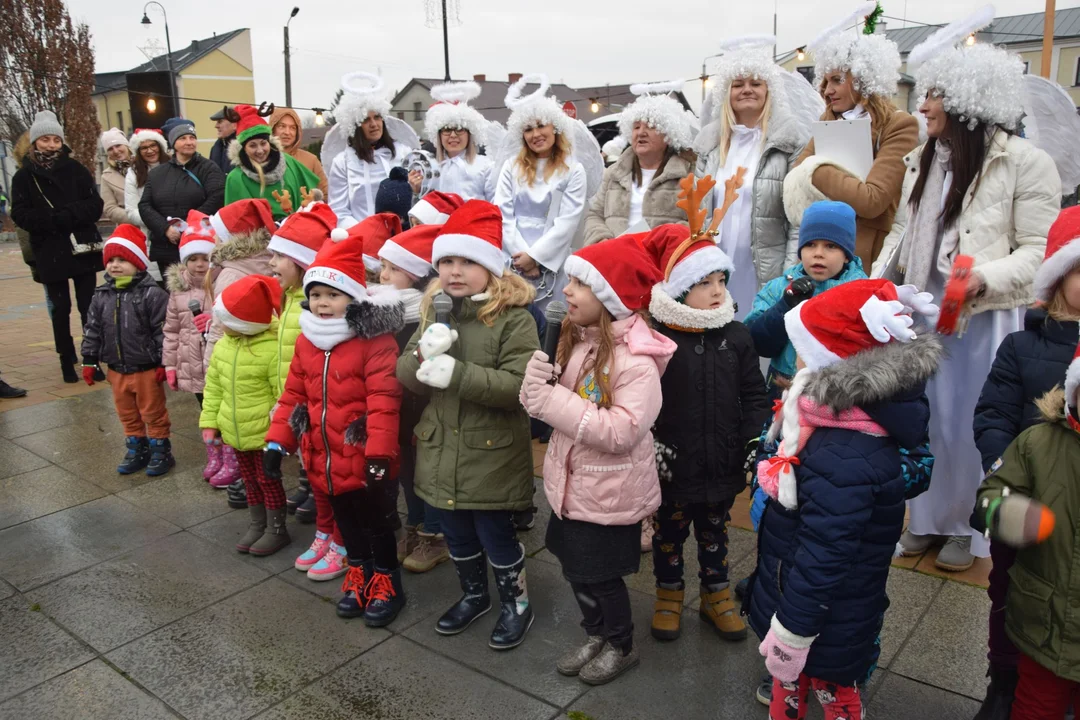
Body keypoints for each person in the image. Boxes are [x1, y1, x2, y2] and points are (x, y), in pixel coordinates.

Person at [878, 39, 1058, 572]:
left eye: (933, 94)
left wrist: (981, 278)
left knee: (975, 425)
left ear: (966, 100)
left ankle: (970, 528)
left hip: (985, 319)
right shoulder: (925, 159)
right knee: (928, 421)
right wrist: (876, 282)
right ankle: (929, 518)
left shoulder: (1025, 161)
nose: (923, 106)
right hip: (925, 313)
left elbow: (1040, 250)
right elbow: (904, 232)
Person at [747, 279, 941, 720]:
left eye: (801, 346)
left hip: (820, 611)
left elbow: (825, 553)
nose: (794, 358)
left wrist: (792, 630)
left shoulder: (845, 450)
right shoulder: (824, 413)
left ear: (833, 364)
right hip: (803, 590)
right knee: (792, 684)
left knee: (833, 690)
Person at [522, 234, 674, 684]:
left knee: (602, 576)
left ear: (610, 297)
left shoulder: (637, 363)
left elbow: (622, 431)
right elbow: (553, 406)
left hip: (609, 494)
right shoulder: (579, 340)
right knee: (575, 569)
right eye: (568, 281)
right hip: (573, 487)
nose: (566, 291)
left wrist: (550, 401)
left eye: (580, 284)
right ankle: (596, 633)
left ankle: (620, 644)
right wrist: (535, 387)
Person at [396, 200, 540, 650]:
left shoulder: (514, 320)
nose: (454, 271)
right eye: (446, 261)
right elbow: (405, 375)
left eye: (468, 261)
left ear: (492, 267)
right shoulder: (435, 312)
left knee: (495, 535)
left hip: (490, 453)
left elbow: (518, 387)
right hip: (441, 450)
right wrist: (421, 357)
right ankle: (474, 594)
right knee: (456, 532)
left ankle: (516, 603)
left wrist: (456, 373)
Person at [968, 207, 1080, 718]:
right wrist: (1002, 471)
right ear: (1058, 279)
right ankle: (1004, 677)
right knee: (1008, 592)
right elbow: (993, 412)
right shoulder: (1022, 345)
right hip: (1027, 499)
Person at [265, 230, 405, 625]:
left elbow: (384, 402)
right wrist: (277, 442)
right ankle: (358, 570)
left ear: (353, 297)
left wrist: (379, 454)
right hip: (323, 455)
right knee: (346, 522)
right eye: (316, 295)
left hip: (365, 459)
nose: (323, 304)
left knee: (376, 523)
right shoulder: (309, 341)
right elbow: (293, 394)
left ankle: (386, 579)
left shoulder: (375, 341)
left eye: (333, 294)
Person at [643, 224, 769, 643]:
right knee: (669, 533)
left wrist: (753, 440)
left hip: (722, 459)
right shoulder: (658, 337)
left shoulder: (737, 335)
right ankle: (669, 592)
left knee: (716, 531)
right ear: (679, 290)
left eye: (720, 280)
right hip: (673, 462)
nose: (716, 290)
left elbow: (753, 393)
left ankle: (716, 594)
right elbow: (640, 394)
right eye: (702, 282)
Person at [972, 349, 1080, 720]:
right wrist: (1004, 512)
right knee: (1034, 707)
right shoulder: (1039, 442)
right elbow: (990, 494)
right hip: (1044, 623)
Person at [783, 14, 919, 269]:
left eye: (837, 80)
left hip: (866, 255)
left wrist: (813, 169)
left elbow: (872, 201)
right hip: (824, 250)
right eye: (825, 82)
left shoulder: (899, 125)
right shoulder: (828, 121)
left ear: (863, 80)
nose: (827, 91)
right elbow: (793, 182)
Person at [695, 39, 811, 318]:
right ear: (727, 92)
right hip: (714, 270)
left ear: (768, 90)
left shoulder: (789, 142)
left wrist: (789, 275)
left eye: (756, 83)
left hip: (764, 272)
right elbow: (695, 213)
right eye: (738, 84)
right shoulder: (709, 145)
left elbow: (798, 219)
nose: (747, 89)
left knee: (757, 344)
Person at [265, 203, 343, 579]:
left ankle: (339, 542)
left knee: (332, 481)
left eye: (279, 255)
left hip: (327, 413)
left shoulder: (310, 310)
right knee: (316, 475)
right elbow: (295, 370)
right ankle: (324, 534)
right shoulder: (294, 299)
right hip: (304, 409)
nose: (272, 262)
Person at [11, 110, 105, 383]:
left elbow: (94, 205)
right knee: (59, 309)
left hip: (82, 248)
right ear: (34, 142)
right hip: (49, 250)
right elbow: (20, 214)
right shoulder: (24, 177)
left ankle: (92, 359)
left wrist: (70, 215)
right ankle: (66, 359)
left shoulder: (76, 170)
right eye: (45, 140)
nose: (51, 145)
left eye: (56, 140)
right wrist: (51, 220)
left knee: (88, 307)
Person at [375, 223, 447, 573]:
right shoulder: (384, 311)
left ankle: (435, 532)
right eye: (382, 267)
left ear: (416, 275)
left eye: (392, 269)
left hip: (423, 406)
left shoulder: (426, 312)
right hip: (395, 405)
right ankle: (416, 524)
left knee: (427, 471)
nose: (382, 275)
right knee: (405, 469)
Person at [200, 275, 289, 556]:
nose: (218, 324)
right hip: (235, 430)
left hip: (264, 433)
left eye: (223, 319)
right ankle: (256, 522)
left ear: (243, 323)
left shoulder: (272, 349)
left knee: (268, 480)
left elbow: (282, 393)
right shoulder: (225, 345)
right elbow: (213, 386)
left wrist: (280, 433)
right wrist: (210, 421)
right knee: (249, 480)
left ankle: (276, 528)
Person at [746, 200, 866, 401]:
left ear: (846, 255)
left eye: (830, 246)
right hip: (783, 386)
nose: (818, 253)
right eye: (810, 244)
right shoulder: (779, 288)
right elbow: (758, 343)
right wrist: (785, 306)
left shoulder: (862, 292)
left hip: (837, 392)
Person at [202, 198, 279, 508]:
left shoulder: (231, 274)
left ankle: (242, 477)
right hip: (264, 354)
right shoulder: (267, 262)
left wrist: (210, 364)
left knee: (240, 415)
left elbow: (222, 326)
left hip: (236, 356)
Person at [80, 225, 173, 476]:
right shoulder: (101, 295)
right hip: (117, 369)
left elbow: (162, 331)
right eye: (111, 260)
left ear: (138, 263)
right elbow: (93, 328)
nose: (115, 265)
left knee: (153, 412)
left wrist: (165, 363)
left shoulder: (152, 295)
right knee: (126, 413)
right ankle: (136, 449)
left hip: (146, 368)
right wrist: (89, 359)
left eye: (122, 259)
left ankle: (160, 450)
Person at [495, 81, 588, 311]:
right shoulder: (510, 167)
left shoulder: (573, 170)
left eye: (541, 126)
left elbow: (567, 223)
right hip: (512, 260)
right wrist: (522, 258)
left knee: (551, 326)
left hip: (552, 264)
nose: (535, 134)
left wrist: (536, 257)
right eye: (528, 129)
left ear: (554, 127)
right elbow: (502, 214)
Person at [584, 83, 695, 246]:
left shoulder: (687, 174)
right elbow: (594, 215)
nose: (641, 132)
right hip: (616, 259)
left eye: (650, 126)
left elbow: (696, 221)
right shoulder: (614, 174)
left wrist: (662, 242)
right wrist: (603, 240)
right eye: (636, 127)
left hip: (663, 263)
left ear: (669, 134)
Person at [162, 211, 217, 476]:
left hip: (216, 365)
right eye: (193, 259)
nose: (199, 264)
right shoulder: (178, 291)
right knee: (205, 412)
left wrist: (214, 319)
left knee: (220, 410)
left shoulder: (220, 285)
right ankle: (214, 454)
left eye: (205, 258)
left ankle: (230, 455)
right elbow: (171, 330)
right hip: (193, 368)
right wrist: (170, 366)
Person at [139, 119, 226, 277]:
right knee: (172, 295)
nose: (189, 142)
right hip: (166, 248)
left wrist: (188, 226)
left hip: (199, 246)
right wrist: (165, 228)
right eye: (183, 138)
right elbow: (145, 205)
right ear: (173, 143)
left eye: (192, 138)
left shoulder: (209, 168)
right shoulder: (157, 174)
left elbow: (217, 197)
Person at [328, 83, 408, 227]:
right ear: (355, 126)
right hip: (360, 239)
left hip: (401, 237)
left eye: (377, 117)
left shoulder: (403, 153)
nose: (373, 124)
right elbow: (338, 211)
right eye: (366, 120)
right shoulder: (342, 162)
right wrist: (364, 233)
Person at [224, 104, 321, 220]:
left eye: (263, 143)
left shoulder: (289, 162)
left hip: (296, 231)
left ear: (269, 142)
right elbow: (239, 221)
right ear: (243, 148)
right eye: (252, 145)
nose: (260, 151)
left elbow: (311, 196)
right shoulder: (236, 178)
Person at [410, 81, 494, 201]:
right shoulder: (430, 168)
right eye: (447, 129)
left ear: (470, 133)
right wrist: (417, 190)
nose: (453, 135)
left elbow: (495, 206)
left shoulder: (486, 166)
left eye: (459, 129)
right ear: (438, 134)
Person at [270, 107, 328, 196]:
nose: (287, 132)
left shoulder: (311, 160)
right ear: (272, 129)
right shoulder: (263, 160)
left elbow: (326, 194)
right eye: (282, 126)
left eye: (292, 128)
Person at [124, 129, 167, 231]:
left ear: (160, 146)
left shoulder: (175, 167)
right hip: (150, 232)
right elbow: (131, 210)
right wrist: (157, 222)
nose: (150, 151)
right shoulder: (133, 174)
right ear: (138, 151)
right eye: (144, 148)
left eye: (153, 145)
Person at [98, 127, 132, 225]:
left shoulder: (144, 165)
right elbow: (110, 208)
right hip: (129, 227)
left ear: (126, 145)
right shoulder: (106, 176)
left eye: (118, 145)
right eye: (110, 149)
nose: (116, 151)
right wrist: (136, 218)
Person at [209, 107, 237, 176]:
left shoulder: (245, 147)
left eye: (220, 121)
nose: (216, 126)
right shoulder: (215, 148)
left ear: (234, 125)